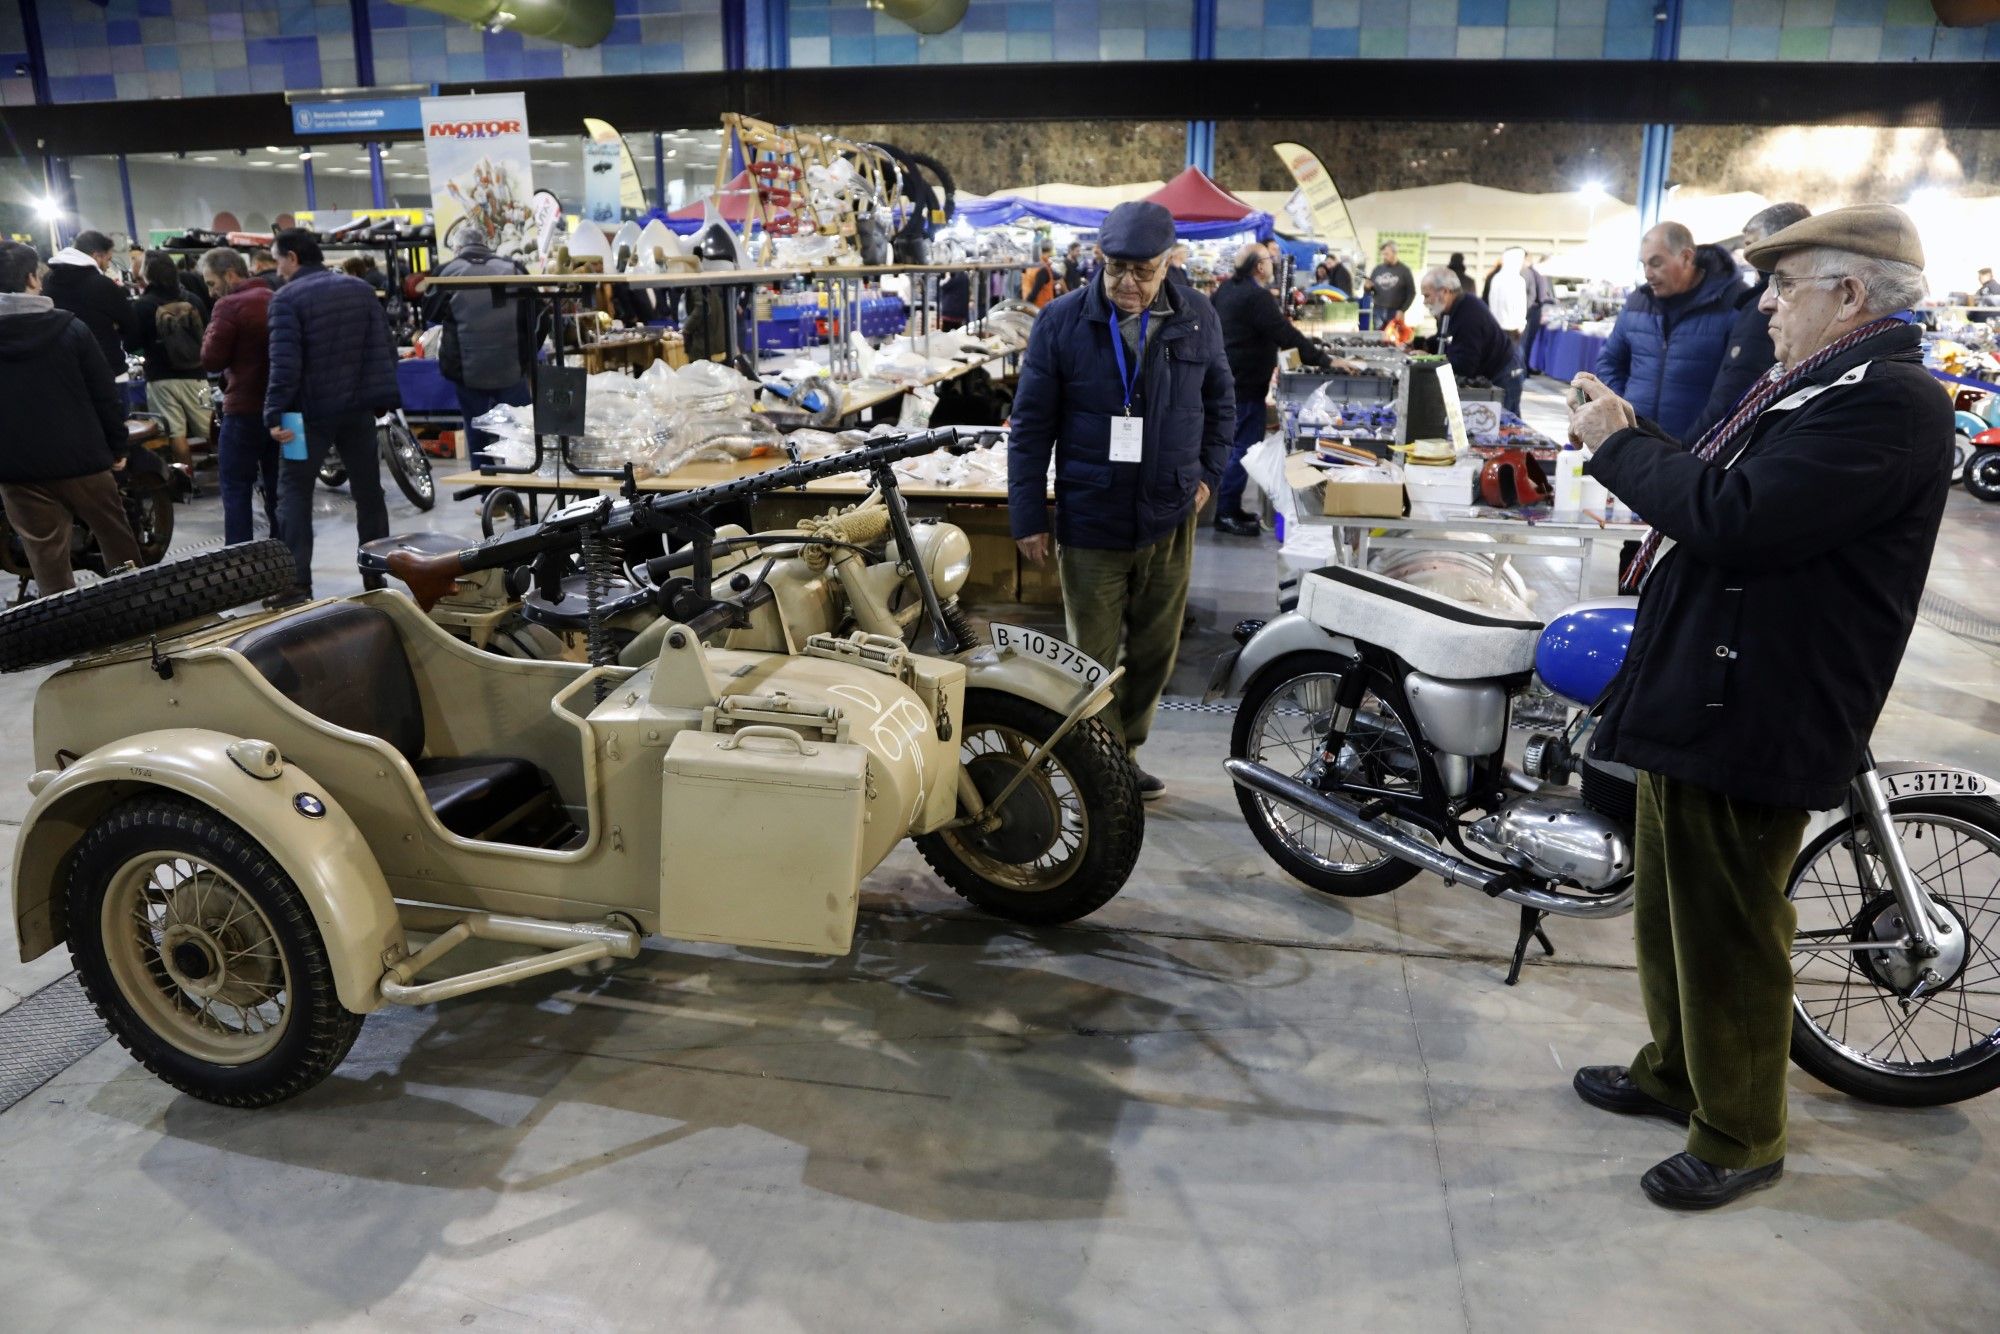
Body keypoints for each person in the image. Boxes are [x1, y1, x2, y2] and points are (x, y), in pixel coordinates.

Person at [1566, 204, 1949, 1211]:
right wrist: (1639, 436)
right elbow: (1709, 483)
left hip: (1762, 695)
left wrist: (1617, 446)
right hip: (1708, 680)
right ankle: (1677, 1073)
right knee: (1670, 906)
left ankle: (1740, 1132)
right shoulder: (1813, 388)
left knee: (1729, 922)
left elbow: (1739, 518)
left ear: (1848, 295)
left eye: (1784, 288)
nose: (1767, 307)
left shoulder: (1886, 403)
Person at [1007, 201, 1233, 800]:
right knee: (1091, 658)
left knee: (1158, 650)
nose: (1127, 284)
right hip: (1091, 517)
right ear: (1099, 262)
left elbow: (1223, 406)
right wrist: (1028, 515)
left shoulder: (1198, 318)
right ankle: (1100, 770)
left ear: (1169, 263)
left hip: (1169, 514)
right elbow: (1030, 427)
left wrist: (1209, 475)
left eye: (1143, 271)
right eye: (1116, 270)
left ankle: (1123, 750)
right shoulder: (1059, 323)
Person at [263, 229, 401, 605]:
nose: (278, 269)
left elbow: (285, 365)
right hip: (357, 410)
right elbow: (384, 346)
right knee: (369, 492)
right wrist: (380, 396)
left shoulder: (285, 300)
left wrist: (274, 411)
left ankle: (296, 583)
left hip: (301, 416)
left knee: (293, 492)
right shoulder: (359, 290)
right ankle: (376, 572)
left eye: (277, 260)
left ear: (292, 257)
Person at [0, 241, 143, 595]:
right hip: (84, 461)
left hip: (18, 470)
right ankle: (140, 620)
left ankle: (67, 640)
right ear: (33, 279)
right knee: (118, 545)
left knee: (47, 560)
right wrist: (117, 445)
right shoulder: (71, 329)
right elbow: (104, 394)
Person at [1211, 243, 1329, 536]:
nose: (1273, 264)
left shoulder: (1226, 291)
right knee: (1242, 447)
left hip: (1228, 380)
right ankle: (1226, 512)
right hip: (1244, 383)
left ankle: (1229, 507)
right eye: (1268, 259)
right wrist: (1324, 359)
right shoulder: (1255, 297)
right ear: (1258, 266)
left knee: (1234, 445)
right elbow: (1284, 334)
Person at [1592, 221, 1748, 440]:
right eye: (1643, 264)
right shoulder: (1638, 302)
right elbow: (1608, 361)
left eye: (1656, 263)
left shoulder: (1734, 302)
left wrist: (1701, 435)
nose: (1647, 273)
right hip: (1635, 439)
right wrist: (1622, 405)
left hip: (1697, 449)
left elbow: (1737, 385)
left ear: (1686, 257)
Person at [1682, 202, 1812, 443]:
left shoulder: (1761, 309)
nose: (1746, 254)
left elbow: (1735, 388)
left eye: (1752, 244)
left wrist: (1690, 446)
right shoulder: (1762, 300)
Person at [423, 228, 536, 465]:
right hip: (510, 365)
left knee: (476, 430)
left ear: (457, 248)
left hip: (467, 368)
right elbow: (537, 314)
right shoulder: (513, 268)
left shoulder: (447, 272)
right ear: (485, 244)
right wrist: (528, 355)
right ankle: (522, 484)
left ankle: (487, 493)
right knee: (520, 430)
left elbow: (430, 312)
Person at [197, 246, 277, 546]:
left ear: (229, 275)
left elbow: (212, 359)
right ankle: (286, 557)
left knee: (235, 487)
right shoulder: (275, 297)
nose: (211, 292)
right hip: (283, 409)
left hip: (244, 409)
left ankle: (240, 559)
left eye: (211, 283)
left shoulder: (228, 306)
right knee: (281, 488)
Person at [127, 251, 210, 478]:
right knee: (212, 427)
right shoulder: (192, 299)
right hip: (197, 374)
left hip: (161, 377)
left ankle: (188, 480)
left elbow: (133, 344)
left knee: (176, 433)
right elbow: (208, 331)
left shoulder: (142, 305)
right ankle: (231, 472)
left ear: (147, 274)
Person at [1417, 267, 1524, 416]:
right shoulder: (1450, 311)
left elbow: (1465, 364)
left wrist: (1429, 362)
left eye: (1427, 296)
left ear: (1445, 292)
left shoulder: (1468, 314)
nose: (1425, 302)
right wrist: (1421, 344)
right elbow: (1444, 340)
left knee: (1504, 423)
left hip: (1503, 372)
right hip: (1491, 368)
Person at [41, 229, 136, 377]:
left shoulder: (48, 280)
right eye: (108, 260)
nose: (107, 266)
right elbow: (130, 324)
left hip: (65, 369)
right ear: (97, 256)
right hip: (107, 367)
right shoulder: (102, 285)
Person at [1520, 254, 1556, 374]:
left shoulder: (1532, 272)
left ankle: (1526, 368)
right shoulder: (1531, 272)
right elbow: (1537, 294)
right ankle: (1525, 368)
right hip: (1532, 309)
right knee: (1526, 340)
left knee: (1528, 340)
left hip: (1533, 309)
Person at [1368, 241, 1415, 331]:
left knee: (1393, 338)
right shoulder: (1377, 269)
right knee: (1378, 337)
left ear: (1394, 253)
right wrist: (1367, 287)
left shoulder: (1404, 270)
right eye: (1383, 254)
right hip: (1378, 309)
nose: (1384, 257)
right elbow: (1369, 291)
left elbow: (1411, 293)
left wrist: (1402, 310)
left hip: (1396, 311)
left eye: (1386, 254)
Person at [1487, 247, 1529, 346]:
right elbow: (1520, 306)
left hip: (1496, 327)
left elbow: (1491, 302)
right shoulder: (1518, 281)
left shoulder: (1496, 278)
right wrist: (1521, 325)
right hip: (1513, 328)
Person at [1022, 242, 1061, 309]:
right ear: (1051, 250)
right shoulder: (1043, 268)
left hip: (1032, 306)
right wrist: (1024, 306)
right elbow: (1034, 293)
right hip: (1041, 308)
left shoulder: (1031, 265)